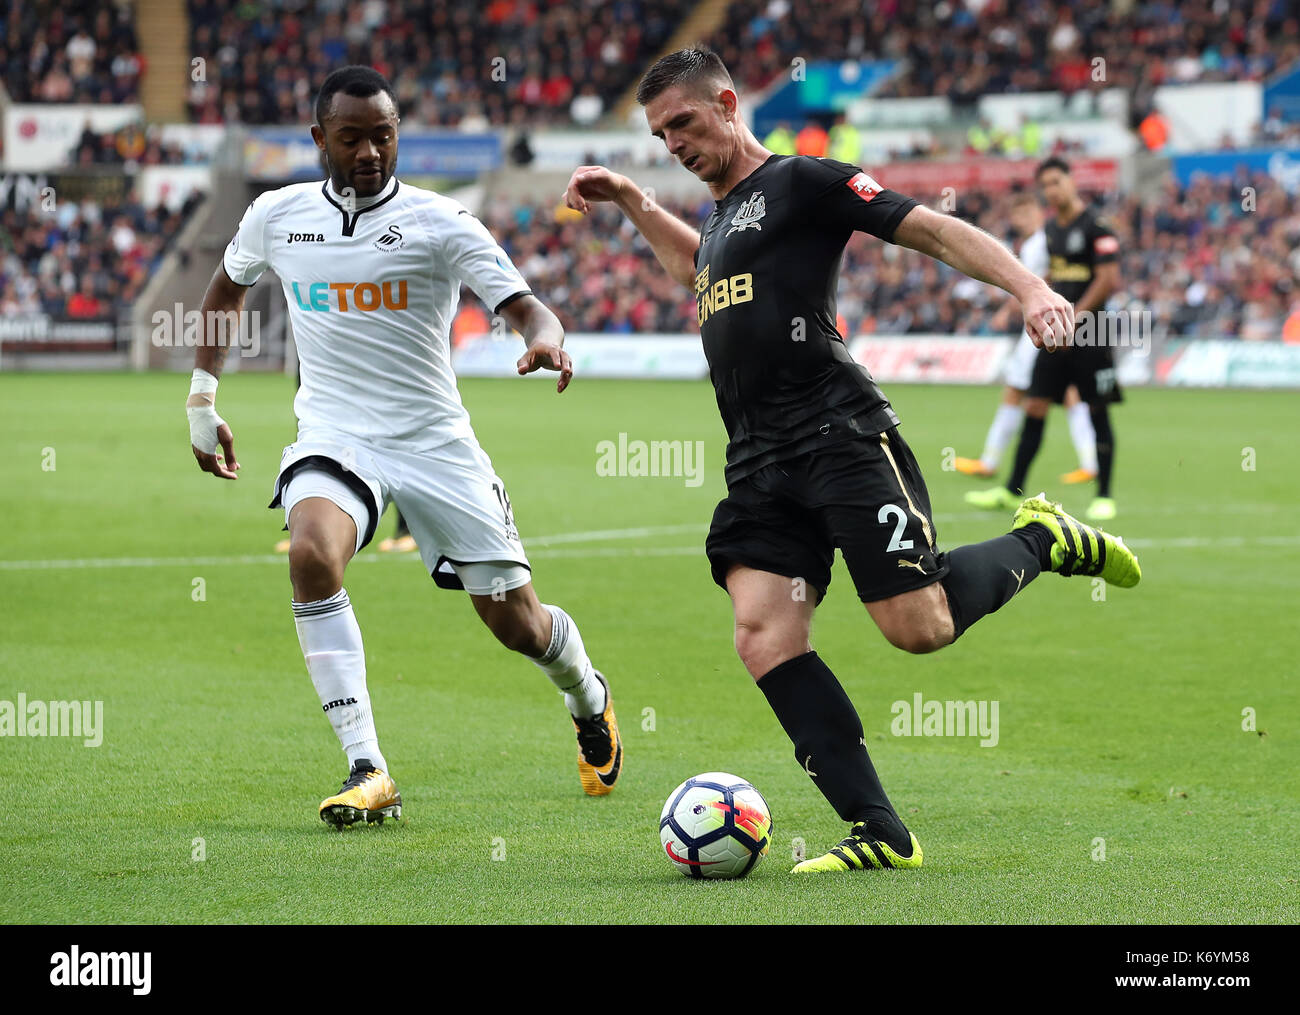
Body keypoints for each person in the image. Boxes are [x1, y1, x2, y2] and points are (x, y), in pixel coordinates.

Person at [563, 48, 1141, 876]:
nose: (673, 144)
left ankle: (1042, 540)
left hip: (838, 433)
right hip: (757, 458)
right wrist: (631, 200)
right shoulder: (723, 217)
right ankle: (880, 828)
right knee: (762, 634)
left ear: (728, 103)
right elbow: (697, 270)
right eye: (659, 135)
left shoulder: (802, 183)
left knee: (920, 627)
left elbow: (930, 227)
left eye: (683, 124)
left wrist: (1029, 288)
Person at [188, 66, 622, 829]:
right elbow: (227, 288)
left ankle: (589, 694)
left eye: (383, 136)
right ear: (320, 138)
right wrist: (201, 396)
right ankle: (368, 767)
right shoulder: (276, 215)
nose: (369, 152)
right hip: (335, 433)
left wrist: (547, 340)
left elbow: (524, 306)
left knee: (517, 623)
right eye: (351, 137)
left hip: (434, 442)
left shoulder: (440, 221)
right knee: (310, 553)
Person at [966, 157, 1123, 521]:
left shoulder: (1099, 228)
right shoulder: (1051, 230)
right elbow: (1053, 273)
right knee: (1034, 406)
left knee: (1097, 409)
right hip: (1058, 333)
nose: (1052, 190)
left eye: (1057, 182)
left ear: (1071, 181)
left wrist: (1076, 316)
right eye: (1046, 185)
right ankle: (1010, 489)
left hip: (1092, 333)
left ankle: (1105, 495)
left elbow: (1107, 280)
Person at [953, 190, 1097, 483]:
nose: (1018, 221)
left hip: (1042, 329)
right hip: (1051, 326)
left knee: (1021, 392)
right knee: (1067, 393)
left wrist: (1007, 310)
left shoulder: (1040, 242)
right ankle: (1090, 462)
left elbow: (1036, 284)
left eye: (1023, 214)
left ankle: (991, 461)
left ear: (1035, 212)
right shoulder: (1042, 241)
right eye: (1015, 216)